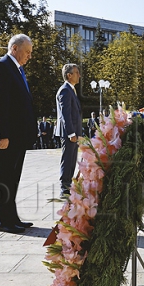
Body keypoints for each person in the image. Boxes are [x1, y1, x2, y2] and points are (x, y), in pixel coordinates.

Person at [0, 34, 37, 234]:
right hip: (4, 138)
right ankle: (3, 221)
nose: (30, 56)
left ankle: (12, 218)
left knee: (12, 179)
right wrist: (1, 134)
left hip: (16, 137)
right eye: (27, 52)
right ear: (15, 48)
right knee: (3, 180)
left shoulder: (17, 69)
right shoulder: (1, 67)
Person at [54, 63, 82, 197]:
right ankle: (64, 188)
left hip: (73, 133)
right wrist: (71, 133)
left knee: (72, 160)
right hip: (68, 133)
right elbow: (66, 114)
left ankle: (68, 186)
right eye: (77, 73)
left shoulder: (71, 89)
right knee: (67, 160)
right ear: (69, 75)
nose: (79, 75)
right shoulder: (65, 90)